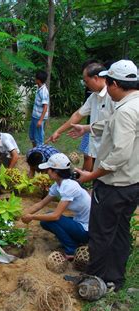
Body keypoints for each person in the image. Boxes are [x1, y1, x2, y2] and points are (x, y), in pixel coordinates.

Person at [69, 60, 138, 291]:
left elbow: (119, 155)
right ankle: (115, 279)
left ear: (115, 84)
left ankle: (94, 280)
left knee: (100, 233)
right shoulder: (133, 104)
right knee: (119, 232)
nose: (107, 88)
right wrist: (87, 128)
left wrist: (92, 175)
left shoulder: (126, 111)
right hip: (132, 183)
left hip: (114, 185)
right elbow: (110, 125)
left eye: (108, 83)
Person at [47, 63, 115, 171]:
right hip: (97, 145)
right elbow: (78, 114)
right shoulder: (94, 97)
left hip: (111, 147)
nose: (85, 85)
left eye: (86, 81)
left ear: (96, 78)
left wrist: (86, 128)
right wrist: (58, 131)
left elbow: (115, 123)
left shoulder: (112, 96)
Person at [21, 153, 90, 258]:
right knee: (46, 221)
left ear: (56, 172)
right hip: (79, 222)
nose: (46, 172)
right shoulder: (58, 185)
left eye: (48, 169)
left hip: (87, 230)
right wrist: (24, 214)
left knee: (50, 219)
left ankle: (71, 249)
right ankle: (74, 241)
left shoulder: (69, 186)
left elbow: (55, 216)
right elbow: (41, 204)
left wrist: (32, 217)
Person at [30, 70, 49, 146]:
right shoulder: (39, 88)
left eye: (35, 78)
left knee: (38, 139)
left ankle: (39, 155)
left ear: (38, 80)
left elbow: (45, 107)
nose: (34, 79)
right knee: (32, 136)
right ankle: (34, 153)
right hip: (35, 117)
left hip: (39, 118)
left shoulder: (44, 91)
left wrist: (40, 121)